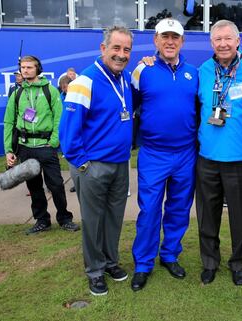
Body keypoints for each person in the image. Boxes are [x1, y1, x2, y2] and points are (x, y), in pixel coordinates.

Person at [59, 26, 133, 296]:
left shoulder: (124, 79)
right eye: (116, 48)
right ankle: (95, 270)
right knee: (93, 221)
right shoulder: (84, 81)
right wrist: (82, 165)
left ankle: (111, 262)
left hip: (120, 164)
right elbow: (68, 131)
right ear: (103, 49)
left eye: (126, 49)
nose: (121, 54)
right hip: (92, 166)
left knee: (114, 218)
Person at [130, 18, 198, 291]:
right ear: (155, 40)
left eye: (175, 37)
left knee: (179, 209)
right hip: (154, 154)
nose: (170, 42)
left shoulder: (194, 72)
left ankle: (170, 255)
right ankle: (143, 264)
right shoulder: (141, 71)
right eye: (164, 37)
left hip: (186, 154)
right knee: (149, 211)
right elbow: (129, 108)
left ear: (182, 41)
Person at [196, 20, 242, 286]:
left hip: (240, 159)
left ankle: (239, 263)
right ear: (211, 43)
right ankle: (209, 262)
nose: (222, 44)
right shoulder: (203, 70)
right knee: (206, 216)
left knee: (241, 216)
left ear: (238, 42)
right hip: (207, 157)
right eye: (217, 39)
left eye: (227, 39)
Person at [3, 55, 78, 235]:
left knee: (56, 185)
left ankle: (65, 218)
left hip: (46, 147)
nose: (25, 70)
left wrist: (53, 142)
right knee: (34, 187)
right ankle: (42, 220)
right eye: (23, 67)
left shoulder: (50, 91)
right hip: (26, 148)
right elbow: (8, 122)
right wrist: (9, 150)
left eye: (30, 67)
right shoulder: (16, 93)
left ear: (38, 69)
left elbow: (59, 118)